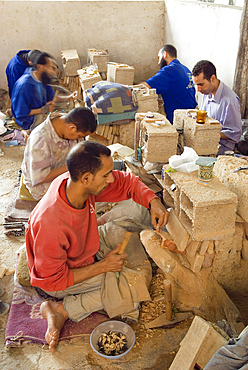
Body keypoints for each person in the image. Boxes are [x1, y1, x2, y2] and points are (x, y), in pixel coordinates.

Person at [25, 140, 169, 353]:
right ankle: (60, 309)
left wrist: (153, 201)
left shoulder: (76, 185)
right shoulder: (51, 223)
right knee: (134, 283)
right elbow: (53, 279)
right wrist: (103, 266)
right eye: (106, 174)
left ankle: (108, 275)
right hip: (55, 280)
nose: (111, 178)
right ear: (86, 178)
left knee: (125, 228)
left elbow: (126, 182)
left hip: (84, 248)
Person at [21, 107, 97, 200]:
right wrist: (71, 167)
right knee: (78, 197)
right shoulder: (40, 139)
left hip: (64, 170)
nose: (80, 139)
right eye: (79, 136)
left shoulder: (66, 121)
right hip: (41, 183)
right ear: (72, 128)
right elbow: (38, 178)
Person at [11, 52, 76, 132]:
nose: (54, 72)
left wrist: (69, 97)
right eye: (51, 68)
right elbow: (20, 113)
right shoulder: (24, 85)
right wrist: (42, 110)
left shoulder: (42, 78)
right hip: (28, 120)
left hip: (42, 108)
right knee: (58, 126)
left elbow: (53, 98)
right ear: (41, 67)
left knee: (69, 105)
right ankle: (28, 132)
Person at [192, 60, 242, 156]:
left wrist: (210, 134)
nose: (198, 89)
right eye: (196, 85)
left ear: (213, 78)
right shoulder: (207, 92)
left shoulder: (230, 100)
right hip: (206, 142)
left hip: (221, 151)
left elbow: (235, 133)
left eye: (201, 84)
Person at [142, 44, 197, 123]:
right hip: (191, 116)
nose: (158, 62)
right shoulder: (186, 69)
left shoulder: (169, 70)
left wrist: (126, 86)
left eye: (159, 58)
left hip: (179, 120)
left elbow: (145, 87)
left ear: (165, 54)